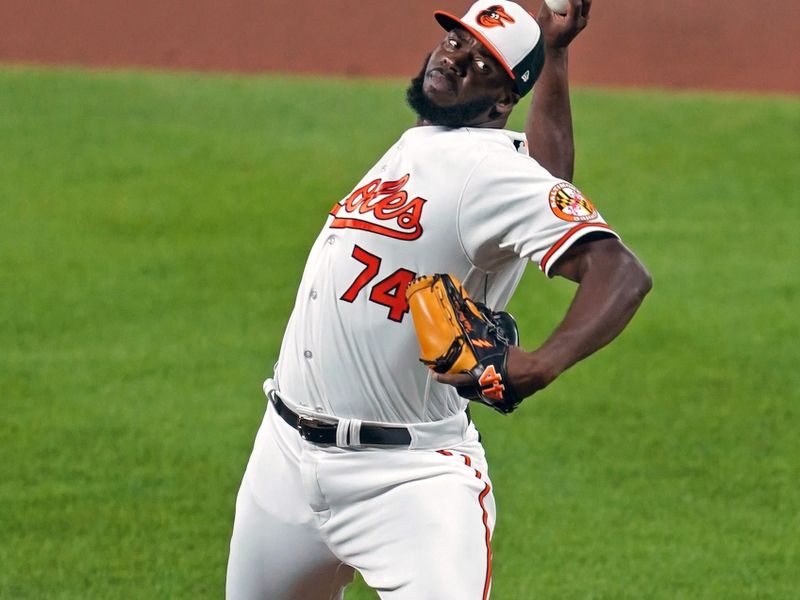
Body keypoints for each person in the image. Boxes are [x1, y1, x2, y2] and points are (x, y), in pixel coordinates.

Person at [226, 1, 651, 598]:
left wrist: (543, 362)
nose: (456, 58)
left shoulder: (486, 169)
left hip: (408, 485)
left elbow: (621, 271)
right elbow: (549, 180)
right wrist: (552, 56)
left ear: (502, 101)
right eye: (457, 40)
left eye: (482, 63)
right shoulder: (433, 147)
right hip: (283, 461)